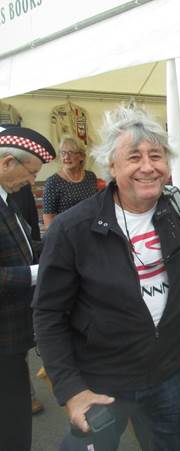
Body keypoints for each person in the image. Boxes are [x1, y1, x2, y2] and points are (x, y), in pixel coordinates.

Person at [32, 106, 180, 451]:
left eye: (156, 156)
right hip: (102, 379)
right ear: (112, 166)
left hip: (166, 374)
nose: (147, 166)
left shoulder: (178, 207)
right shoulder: (73, 229)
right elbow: (48, 314)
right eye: (134, 157)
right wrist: (71, 390)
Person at [0, 126, 56, 451]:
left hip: (13, 338)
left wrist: (61, 245)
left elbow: (24, 245)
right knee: (12, 426)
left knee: (16, 417)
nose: (32, 183)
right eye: (31, 173)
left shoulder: (8, 198)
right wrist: (39, 273)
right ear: (8, 162)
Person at [8, 184, 45, 415]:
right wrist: (39, 271)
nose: (33, 177)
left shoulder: (16, 192)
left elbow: (27, 239)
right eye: (31, 170)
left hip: (18, 313)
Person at [42, 135, 97, 227]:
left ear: (81, 156)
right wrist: (55, 239)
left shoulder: (90, 177)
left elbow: (96, 205)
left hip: (90, 230)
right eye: (63, 153)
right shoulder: (53, 182)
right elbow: (48, 218)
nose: (66, 157)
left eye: (71, 152)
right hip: (65, 234)